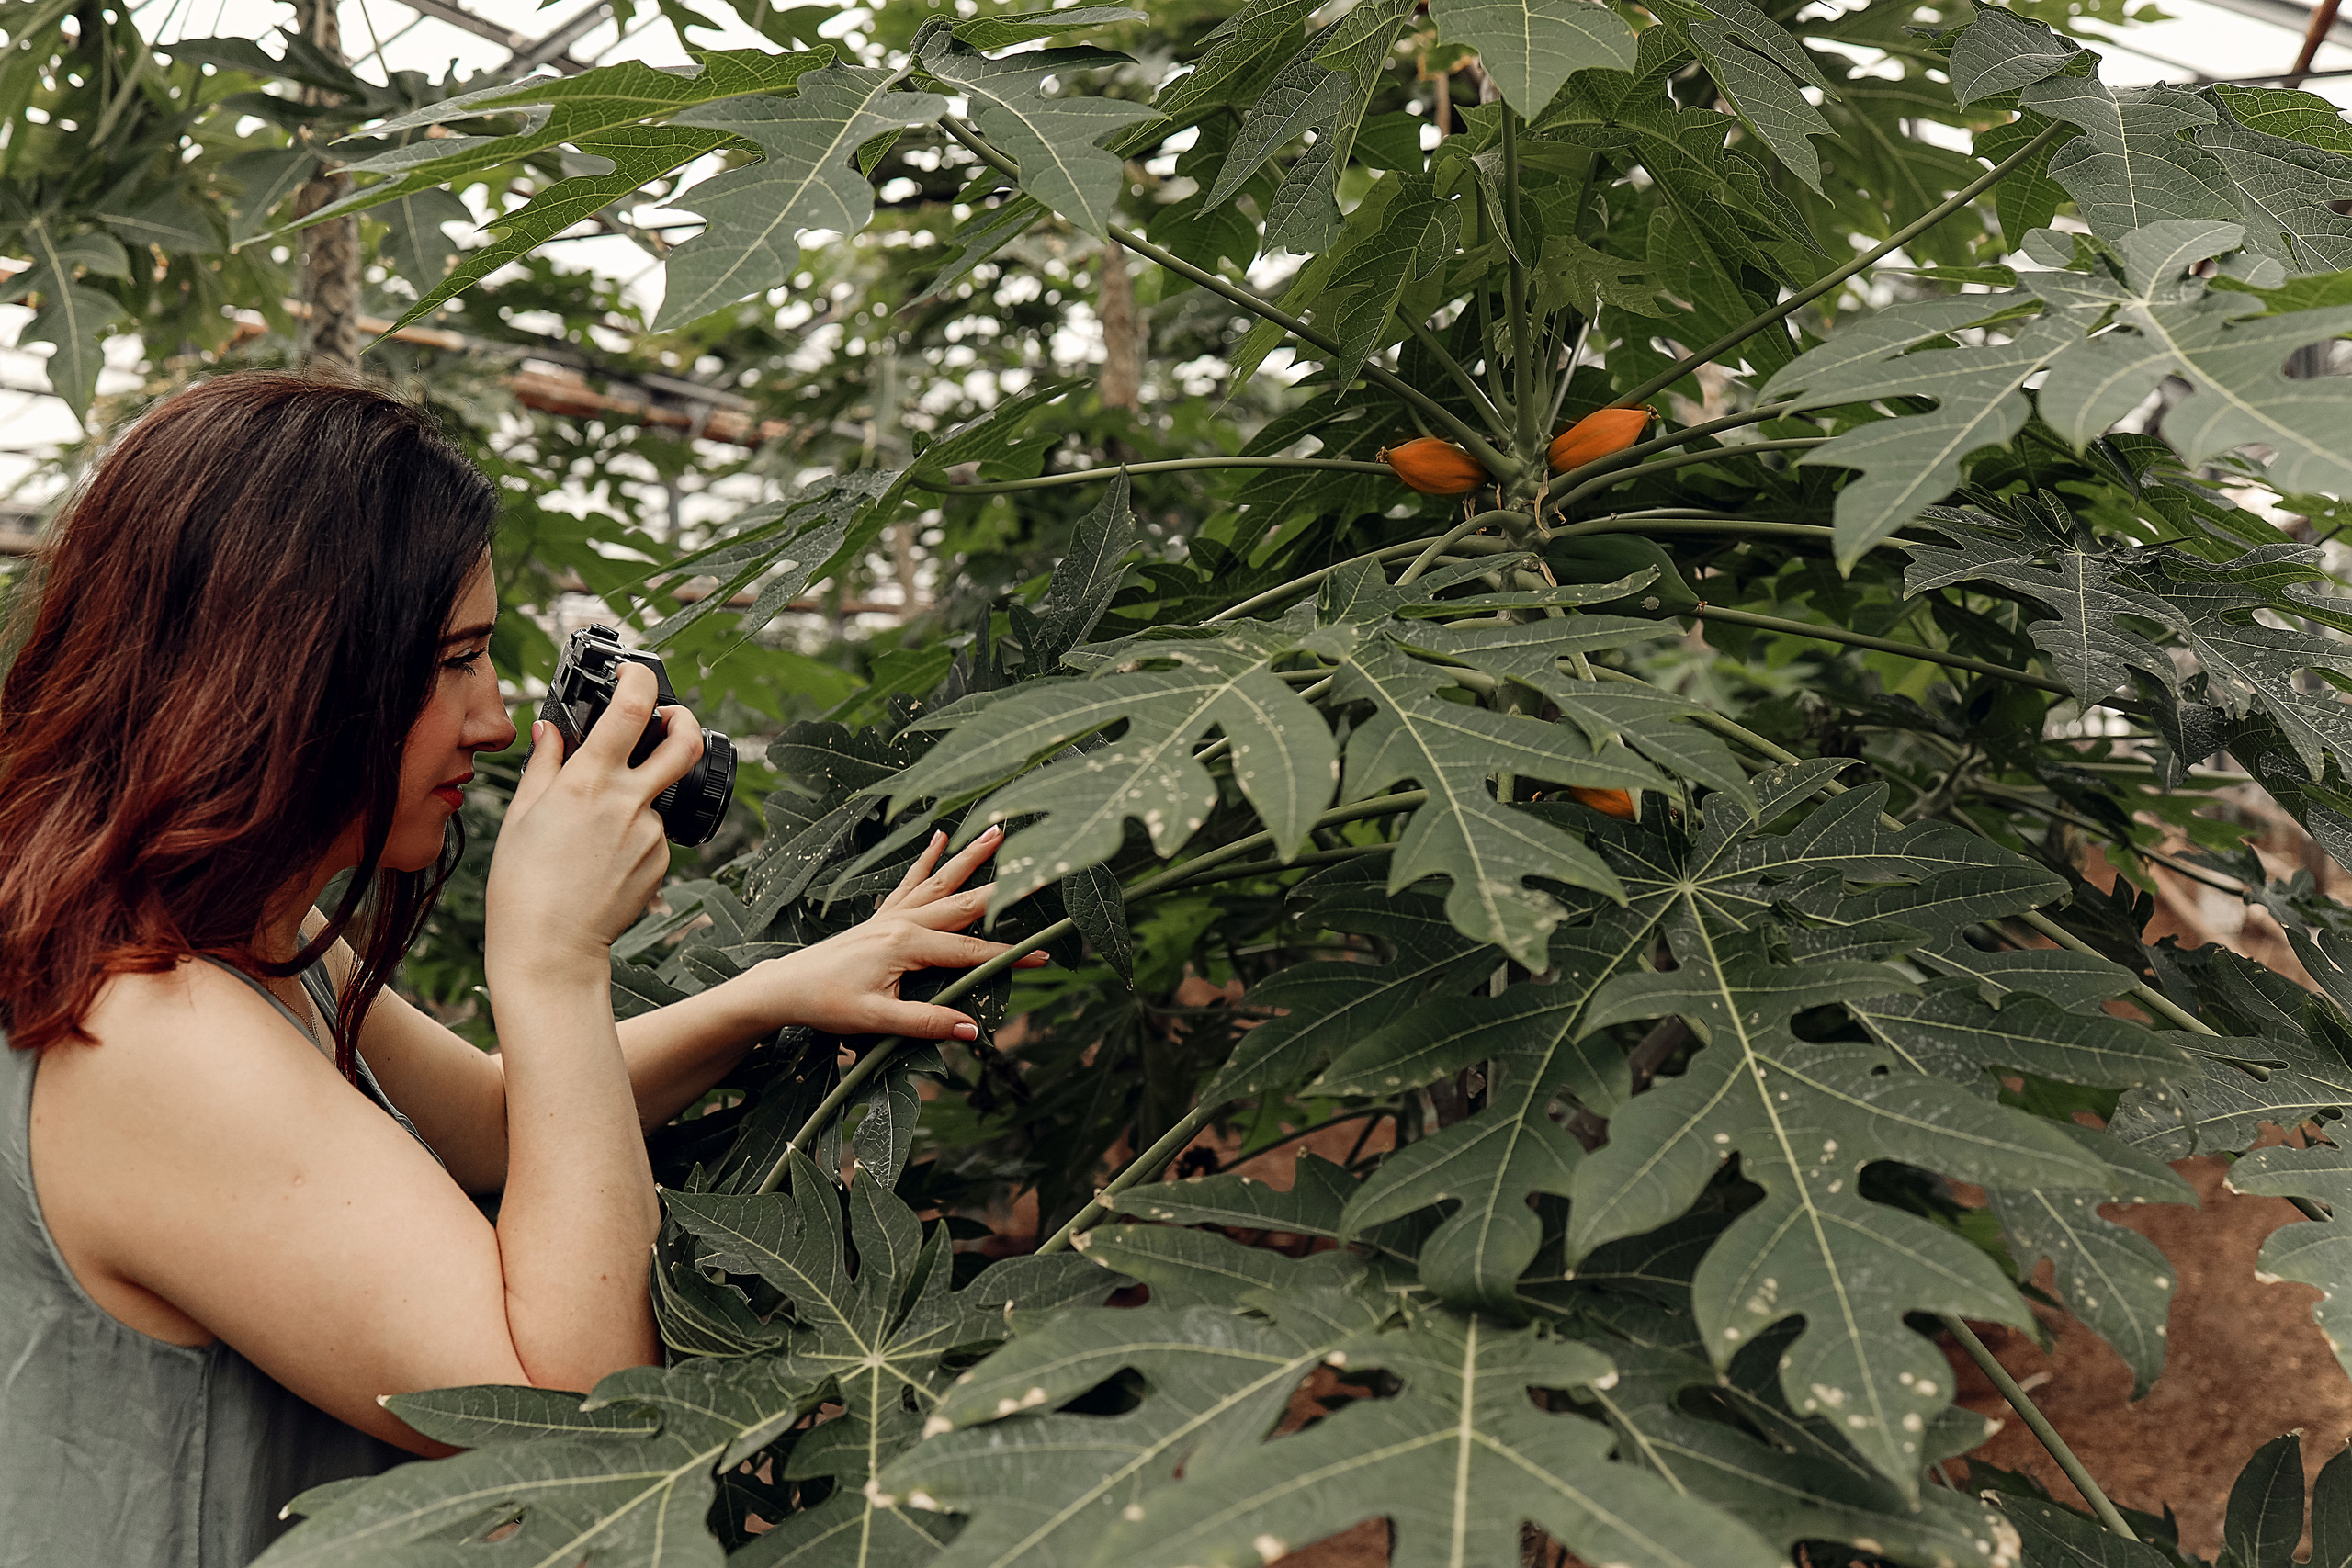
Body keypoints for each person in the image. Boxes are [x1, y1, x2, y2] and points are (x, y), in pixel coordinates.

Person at [0, 371, 1032, 1567]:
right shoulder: (152, 1037)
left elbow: (496, 1119)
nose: (493, 722)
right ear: (285, 665)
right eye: (455, 660)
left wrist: (770, 994)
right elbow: (572, 1420)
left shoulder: (225, 932)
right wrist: (555, 961)